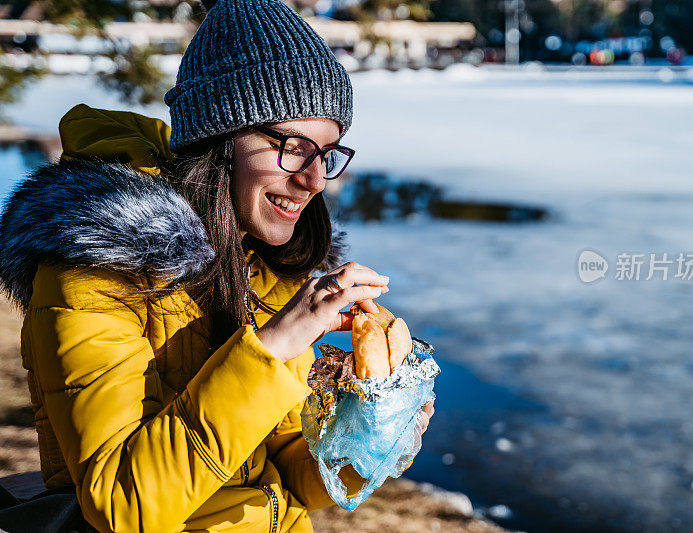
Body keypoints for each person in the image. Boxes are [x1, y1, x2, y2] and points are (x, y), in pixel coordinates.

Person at [0, 0, 434, 531]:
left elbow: (288, 481)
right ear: (218, 140)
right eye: (294, 146)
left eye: (328, 152)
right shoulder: (97, 271)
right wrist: (274, 346)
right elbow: (123, 504)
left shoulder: (264, 267)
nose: (316, 180)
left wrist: (366, 438)